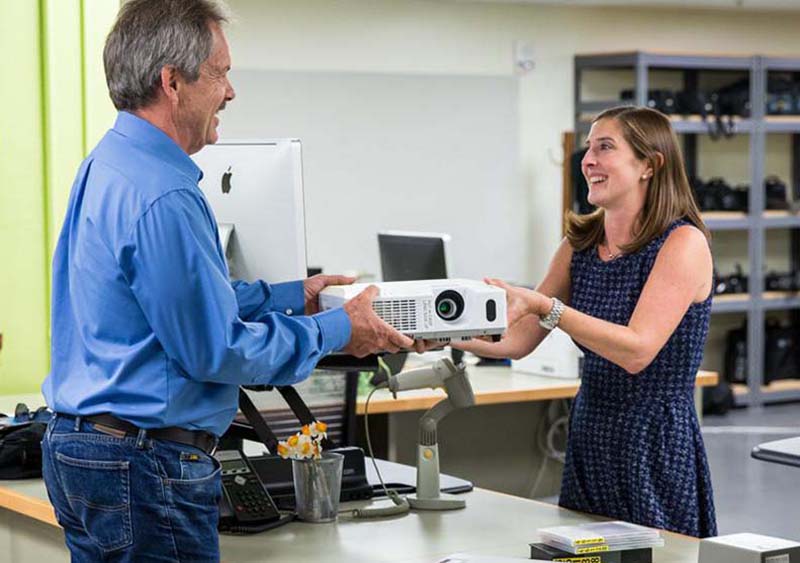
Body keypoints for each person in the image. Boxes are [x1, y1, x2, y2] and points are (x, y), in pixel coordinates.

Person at [40, 1, 414, 561]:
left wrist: (292, 298)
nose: (231, 92)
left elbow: (166, 304)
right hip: (145, 467)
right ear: (172, 82)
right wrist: (337, 330)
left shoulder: (107, 164)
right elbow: (215, 350)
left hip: (83, 451)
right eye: (220, 73)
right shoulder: (165, 195)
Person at [455, 106, 717, 537]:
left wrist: (547, 307)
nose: (588, 160)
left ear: (649, 165)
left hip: (652, 441)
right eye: (589, 148)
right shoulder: (582, 242)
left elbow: (637, 350)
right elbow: (518, 340)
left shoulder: (682, 243)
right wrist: (442, 336)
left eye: (605, 147)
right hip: (591, 432)